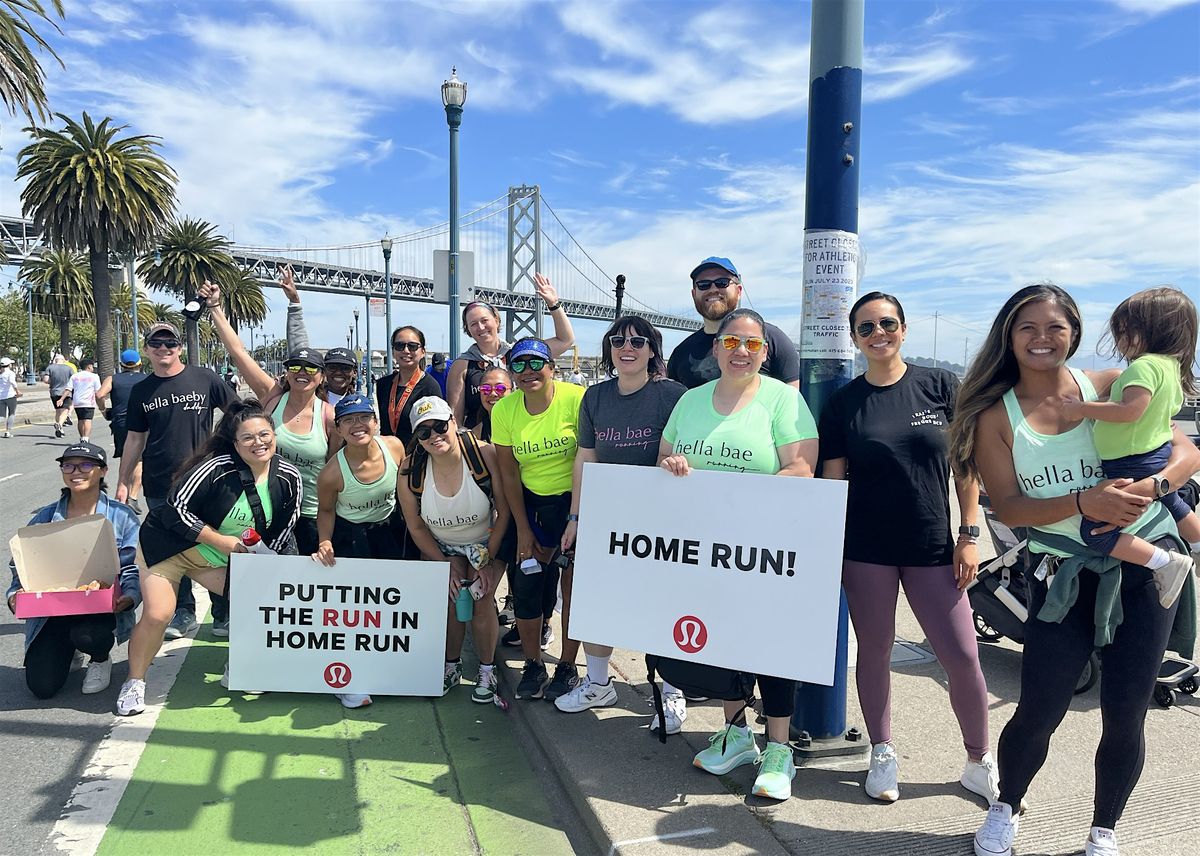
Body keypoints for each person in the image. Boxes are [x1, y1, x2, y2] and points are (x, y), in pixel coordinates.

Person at [945, 284, 1200, 856]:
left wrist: (1154, 486)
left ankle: (1103, 830)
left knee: (1127, 711)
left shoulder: (1110, 386)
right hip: (1062, 576)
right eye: (1027, 328)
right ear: (1008, 337)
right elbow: (1008, 507)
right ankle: (1006, 807)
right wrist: (1084, 503)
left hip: (1147, 572)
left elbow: (1186, 453)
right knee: (1039, 707)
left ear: (1075, 333)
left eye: (1055, 327)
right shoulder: (996, 415)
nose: (1042, 339)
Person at [818, 291, 997, 805]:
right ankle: (882, 752)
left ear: (904, 327)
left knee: (962, 654)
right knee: (874, 651)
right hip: (865, 549)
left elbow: (965, 467)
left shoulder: (940, 385)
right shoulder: (844, 404)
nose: (879, 335)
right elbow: (833, 484)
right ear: (854, 338)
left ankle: (978, 758)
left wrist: (968, 534)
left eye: (887, 324)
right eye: (866, 328)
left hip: (932, 545)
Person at [659, 308, 819, 803]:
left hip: (765, 544)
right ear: (716, 348)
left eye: (751, 345)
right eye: (731, 343)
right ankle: (735, 734)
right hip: (703, 547)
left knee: (770, 644)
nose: (741, 352)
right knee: (721, 640)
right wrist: (673, 464)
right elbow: (663, 459)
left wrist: (745, 501)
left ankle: (778, 748)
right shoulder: (689, 400)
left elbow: (802, 468)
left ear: (765, 352)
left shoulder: (782, 400)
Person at [117, 399, 302, 716]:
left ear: (274, 434)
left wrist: (263, 563)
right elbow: (174, 510)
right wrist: (220, 540)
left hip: (216, 560)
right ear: (235, 443)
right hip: (170, 548)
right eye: (247, 437)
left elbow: (285, 528)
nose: (258, 443)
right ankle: (134, 682)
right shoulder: (215, 469)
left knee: (261, 602)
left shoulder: (288, 477)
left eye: (264, 435)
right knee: (160, 614)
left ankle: (240, 667)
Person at [555, 317, 686, 716]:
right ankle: (598, 683)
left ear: (652, 350)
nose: (626, 347)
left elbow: (687, 450)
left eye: (637, 341)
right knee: (600, 603)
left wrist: (681, 462)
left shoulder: (674, 396)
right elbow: (585, 458)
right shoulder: (594, 398)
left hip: (661, 522)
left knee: (663, 606)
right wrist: (575, 517)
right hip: (606, 519)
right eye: (618, 341)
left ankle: (672, 691)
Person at [1058, 287, 1200, 600]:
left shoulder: (1144, 367)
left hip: (1129, 462)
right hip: (1153, 454)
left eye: (1125, 331)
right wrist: (1101, 402)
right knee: (1172, 501)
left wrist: (1080, 408)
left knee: (1094, 533)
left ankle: (1166, 563)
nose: (1120, 340)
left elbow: (1130, 410)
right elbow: (1143, 408)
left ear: (1154, 331)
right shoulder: (1170, 367)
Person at [200, 279, 339, 565]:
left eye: (311, 367)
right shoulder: (272, 398)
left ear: (322, 376)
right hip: (262, 510)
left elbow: (337, 471)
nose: (302, 372)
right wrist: (214, 307)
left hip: (310, 514)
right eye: (295, 366)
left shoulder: (329, 417)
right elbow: (238, 353)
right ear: (286, 372)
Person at [118, 322, 239, 642]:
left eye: (169, 343)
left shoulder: (206, 378)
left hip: (205, 482)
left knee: (216, 544)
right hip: (160, 483)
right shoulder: (141, 391)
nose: (163, 349)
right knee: (173, 547)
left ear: (180, 347)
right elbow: (134, 438)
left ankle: (224, 610)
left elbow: (237, 413)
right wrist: (123, 480)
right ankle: (184, 610)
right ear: (146, 350)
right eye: (156, 343)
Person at [398, 396, 511, 704]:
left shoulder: (483, 454)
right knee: (449, 597)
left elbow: (503, 510)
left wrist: (486, 561)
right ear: (417, 439)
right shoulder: (411, 471)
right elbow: (416, 526)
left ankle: (488, 669)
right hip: (441, 545)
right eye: (424, 432)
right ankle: (452, 665)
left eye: (439, 427)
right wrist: (443, 563)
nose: (434, 436)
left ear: (452, 421)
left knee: (480, 596)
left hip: (486, 540)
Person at [6, 442, 141, 699]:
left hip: (99, 609)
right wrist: (15, 594)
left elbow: (133, 567)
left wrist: (131, 596)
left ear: (102, 471)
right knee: (42, 687)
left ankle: (99, 658)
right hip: (52, 609)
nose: (76, 471)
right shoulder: (44, 517)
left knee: (88, 635)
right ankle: (70, 649)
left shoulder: (122, 516)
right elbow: (20, 565)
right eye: (68, 465)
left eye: (86, 464)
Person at [491, 337, 585, 701]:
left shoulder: (575, 399)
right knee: (527, 586)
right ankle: (533, 663)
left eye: (535, 363)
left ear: (552, 367)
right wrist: (524, 530)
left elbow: (590, 454)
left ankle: (567, 665)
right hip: (530, 504)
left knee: (572, 589)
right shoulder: (505, 410)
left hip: (576, 503)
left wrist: (577, 516)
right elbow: (509, 473)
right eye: (518, 365)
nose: (527, 372)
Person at [310, 393, 407, 708]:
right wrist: (325, 541)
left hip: (391, 530)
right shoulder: (332, 473)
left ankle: (399, 669)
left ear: (375, 423)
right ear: (338, 429)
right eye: (348, 420)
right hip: (352, 537)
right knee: (357, 612)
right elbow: (325, 511)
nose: (357, 425)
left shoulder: (394, 447)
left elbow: (409, 489)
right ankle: (351, 677)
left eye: (363, 417)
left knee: (395, 603)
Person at [446, 273, 576, 432]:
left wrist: (554, 305)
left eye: (484, 320)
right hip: (482, 441)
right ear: (468, 329)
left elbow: (565, 340)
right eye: (473, 324)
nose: (480, 327)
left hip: (523, 434)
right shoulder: (462, 365)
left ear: (497, 320)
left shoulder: (519, 353)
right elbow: (456, 420)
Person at [667, 257, 800, 390]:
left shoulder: (772, 338)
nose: (713, 289)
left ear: (739, 291)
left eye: (722, 282)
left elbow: (794, 397)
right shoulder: (680, 353)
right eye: (704, 284)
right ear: (694, 294)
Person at [96, 349, 147, 513]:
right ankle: (132, 496)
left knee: (125, 458)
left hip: (120, 422)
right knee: (140, 460)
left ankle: (122, 496)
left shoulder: (113, 379)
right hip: (143, 421)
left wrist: (104, 411)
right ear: (140, 363)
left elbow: (99, 395)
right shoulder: (147, 378)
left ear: (121, 365)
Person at [375, 325, 443, 446]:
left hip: (417, 457)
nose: (406, 350)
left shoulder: (430, 386)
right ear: (393, 351)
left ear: (422, 352)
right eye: (399, 346)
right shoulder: (382, 385)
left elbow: (437, 429)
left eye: (412, 346)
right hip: (388, 454)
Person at [59, 357, 101, 443]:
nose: (93, 368)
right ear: (89, 366)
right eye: (92, 367)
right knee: (87, 420)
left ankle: (82, 437)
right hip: (89, 402)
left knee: (80, 420)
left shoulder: (75, 376)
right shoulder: (94, 377)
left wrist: (61, 399)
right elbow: (98, 391)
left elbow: (68, 389)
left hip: (77, 402)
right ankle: (86, 438)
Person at [44, 355, 73, 438]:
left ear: (55, 360)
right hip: (65, 392)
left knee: (58, 410)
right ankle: (60, 424)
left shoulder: (50, 368)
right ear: (63, 360)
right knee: (65, 410)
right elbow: (73, 379)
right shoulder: (68, 368)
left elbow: (46, 380)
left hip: (54, 392)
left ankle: (60, 429)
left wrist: (52, 382)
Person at [0, 356, 20, 438]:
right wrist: (17, 391)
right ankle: (8, 431)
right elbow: (12, 382)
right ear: (9, 365)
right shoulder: (10, 373)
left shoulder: (1, 374)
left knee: (1, 416)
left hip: (1, 396)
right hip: (10, 396)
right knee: (11, 413)